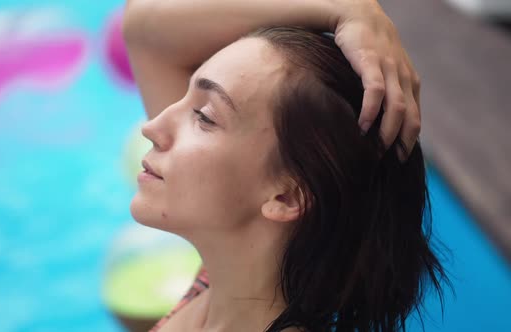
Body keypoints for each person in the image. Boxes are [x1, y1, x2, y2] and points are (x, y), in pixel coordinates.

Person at [123, 1, 449, 331]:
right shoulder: (216, 285)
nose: (152, 127)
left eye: (205, 117)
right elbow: (145, 32)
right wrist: (349, 10)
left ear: (287, 197)